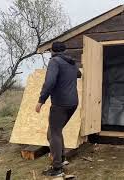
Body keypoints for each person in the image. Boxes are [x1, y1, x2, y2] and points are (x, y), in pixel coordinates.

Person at [35, 41, 79, 177]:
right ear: (64, 51)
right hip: (73, 103)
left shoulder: (55, 62)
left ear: (52, 51)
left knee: (52, 134)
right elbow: (79, 74)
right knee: (56, 131)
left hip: (60, 104)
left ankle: (57, 168)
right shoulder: (72, 63)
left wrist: (41, 100)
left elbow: (50, 82)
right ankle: (62, 159)